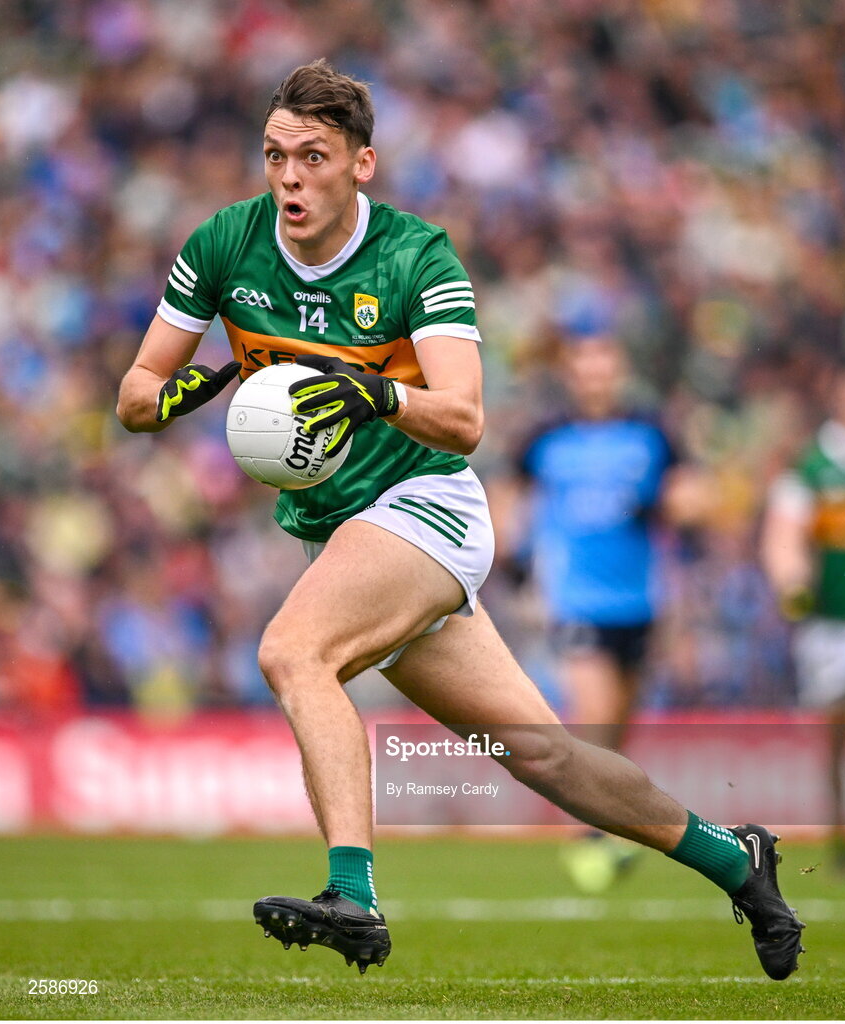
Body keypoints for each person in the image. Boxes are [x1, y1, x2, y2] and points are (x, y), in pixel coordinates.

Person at [117, 60, 805, 979]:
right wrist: (190, 394)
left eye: (312, 157)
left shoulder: (416, 254)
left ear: (362, 163)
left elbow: (466, 416)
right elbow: (132, 395)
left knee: (293, 652)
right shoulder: (223, 243)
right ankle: (735, 860)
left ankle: (351, 893)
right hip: (347, 533)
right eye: (275, 155)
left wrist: (374, 395)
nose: (288, 177)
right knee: (545, 757)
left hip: (426, 506)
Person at [512, 330, 694, 891]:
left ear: (618, 372)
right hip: (577, 603)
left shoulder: (651, 434)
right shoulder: (545, 438)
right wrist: (518, 560)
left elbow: (695, 497)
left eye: (604, 365)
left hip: (639, 604)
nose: (595, 376)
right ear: (571, 373)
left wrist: (666, 504)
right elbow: (510, 497)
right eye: (584, 366)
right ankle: (587, 839)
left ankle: (610, 830)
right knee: (590, 724)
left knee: (616, 732)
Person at [762, 353, 845, 874]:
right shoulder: (812, 464)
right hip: (827, 623)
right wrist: (791, 580)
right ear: (840, 395)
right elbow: (783, 536)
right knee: (836, 736)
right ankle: (841, 833)